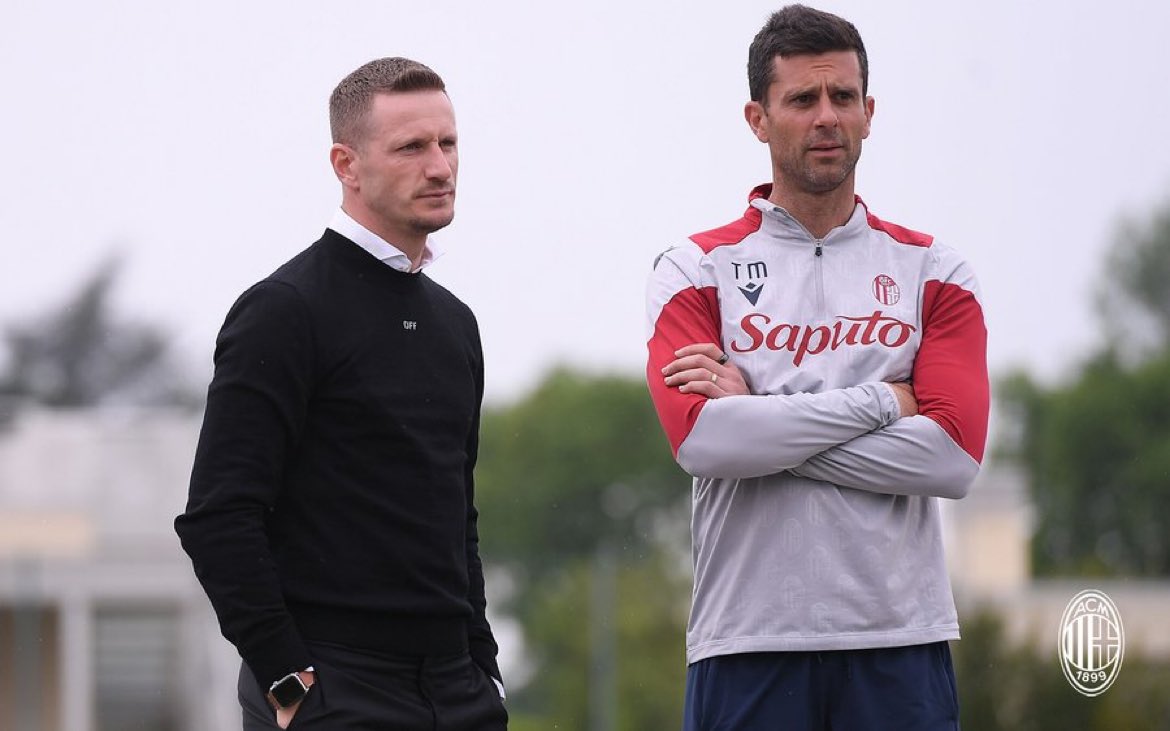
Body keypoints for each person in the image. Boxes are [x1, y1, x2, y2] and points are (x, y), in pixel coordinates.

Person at [645, 6, 989, 730]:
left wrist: (762, 423)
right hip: (745, 641)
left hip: (900, 641)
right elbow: (704, 444)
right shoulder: (692, 267)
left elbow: (954, 458)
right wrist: (886, 402)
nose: (826, 116)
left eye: (843, 97)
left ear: (870, 111)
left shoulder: (936, 269)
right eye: (803, 99)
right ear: (758, 118)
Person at [175, 57, 507, 730]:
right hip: (336, 687)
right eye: (411, 147)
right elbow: (218, 516)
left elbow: (456, 518)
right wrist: (284, 674)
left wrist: (483, 664)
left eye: (447, 143)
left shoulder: (456, 324)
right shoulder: (284, 310)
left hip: (457, 689)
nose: (440, 167)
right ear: (347, 165)